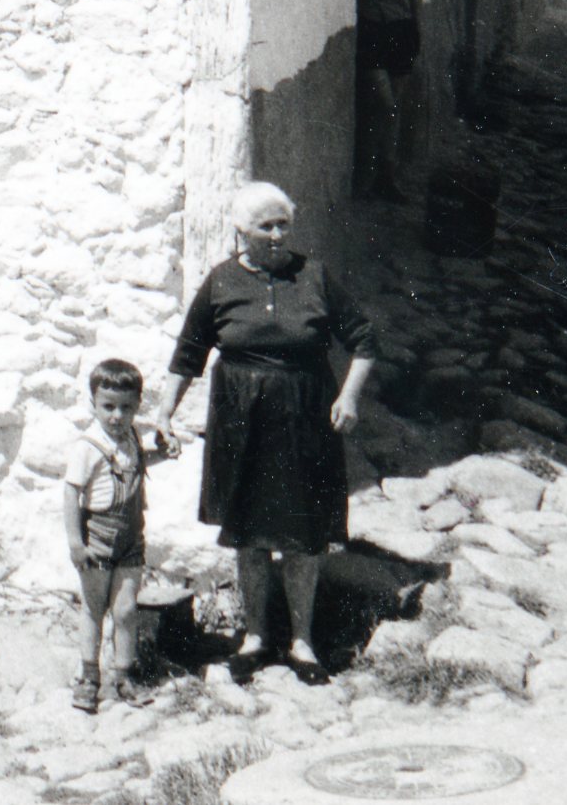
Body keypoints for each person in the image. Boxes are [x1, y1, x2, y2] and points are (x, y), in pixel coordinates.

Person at [154, 182, 377, 679]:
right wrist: (164, 412)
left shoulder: (314, 276)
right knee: (248, 534)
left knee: (303, 534)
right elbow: (188, 354)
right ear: (241, 230)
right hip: (241, 421)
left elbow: (364, 340)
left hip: (305, 417)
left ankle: (302, 642)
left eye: (283, 225)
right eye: (265, 227)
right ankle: (254, 637)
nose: (277, 235)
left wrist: (348, 397)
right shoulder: (221, 282)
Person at [62, 357, 173, 714]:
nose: (116, 416)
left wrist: (162, 454)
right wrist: (75, 543)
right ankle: (88, 677)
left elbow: (137, 463)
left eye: (126, 408)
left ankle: (124, 676)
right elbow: (71, 494)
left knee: (125, 610)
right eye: (108, 407)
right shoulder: (87, 446)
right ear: (93, 404)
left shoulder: (132, 438)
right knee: (94, 608)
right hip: (97, 536)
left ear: (137, 406)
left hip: (131, 538)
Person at [353, 0, 423, 201]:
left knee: (392, 106)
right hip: (372, 29)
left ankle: (387, 177)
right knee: (384, 104)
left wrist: (419, 33)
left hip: (401, 30)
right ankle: (368, 178)